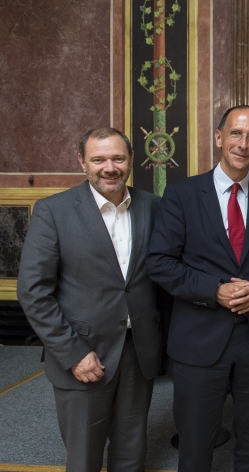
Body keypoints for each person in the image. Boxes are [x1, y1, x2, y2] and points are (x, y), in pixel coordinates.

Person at [147, 105, 249, 471]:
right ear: (219, 137)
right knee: (195, 446)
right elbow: (159, 262)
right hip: (199, 338)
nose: (243, 143)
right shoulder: (182, 195)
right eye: (236, 134)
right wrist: (215, 290)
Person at [17, 128, 162, 471]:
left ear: (130, 161)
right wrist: (73, 353)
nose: (109, 167)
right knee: (83, 458)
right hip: (82, 355)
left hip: (137, 352)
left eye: (118, 158)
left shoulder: (153, 207)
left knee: (131, 454)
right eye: (98, 159)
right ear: (82, 162)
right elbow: (33, 291)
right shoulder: (54, 211)